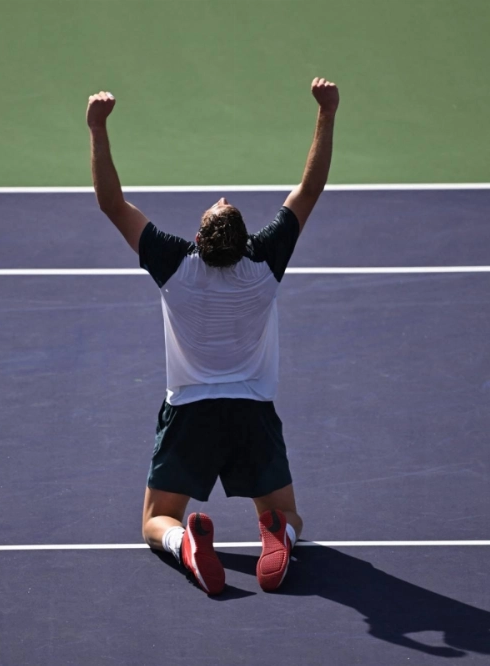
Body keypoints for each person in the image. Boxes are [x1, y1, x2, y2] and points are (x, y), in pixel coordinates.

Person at [87, 77, 339, 594]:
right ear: (246, 242)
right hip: (252, 413)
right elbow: (308, 190)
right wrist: (327, 112)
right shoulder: (265, 263)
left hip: (190, 414)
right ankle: (278, 533)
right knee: (288, 511)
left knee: (157, 520)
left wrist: (97, 127)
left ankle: (185, 546)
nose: (221, 196)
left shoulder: (176, 265)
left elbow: (112, 203)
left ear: (198, 239)